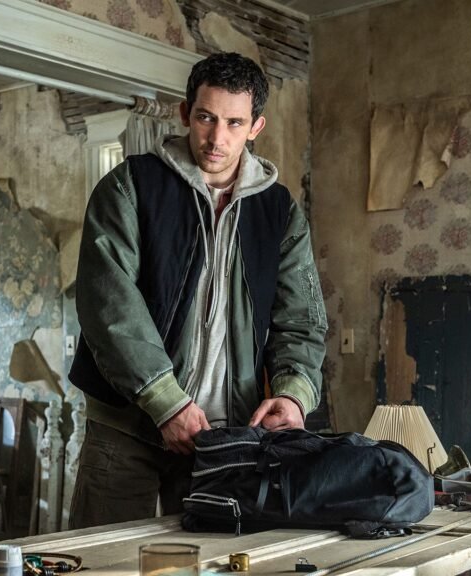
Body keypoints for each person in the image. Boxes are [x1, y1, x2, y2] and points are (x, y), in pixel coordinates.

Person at [67, 52, 327, 529]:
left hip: (225, 436)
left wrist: (293, 394)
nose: (216, 138)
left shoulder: (280, 211)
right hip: (125, 427)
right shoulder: (129, 186)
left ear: (256, 126)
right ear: (186, 113)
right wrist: (166, 402)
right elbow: (109, 307)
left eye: (234, 122)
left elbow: (301, 320)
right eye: (206, 117)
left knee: (208, 560)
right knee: (105, 558)